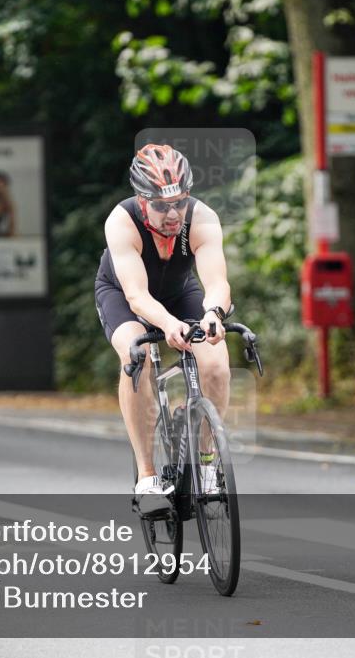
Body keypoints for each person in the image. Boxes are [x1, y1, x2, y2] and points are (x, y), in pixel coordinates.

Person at [94, 144, 232, 503]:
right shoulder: (121, 221)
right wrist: (169, 325)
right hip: (123, 294)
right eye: (160, 205)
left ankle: (205, 464)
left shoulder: (201, 218)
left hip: (178, 291)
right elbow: (137, 296)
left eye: (179, 203)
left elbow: (216, 282)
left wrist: (214, 314)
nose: (173, 214)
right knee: (135, 355)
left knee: (215, 365)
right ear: (142, 202)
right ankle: (147, 476)